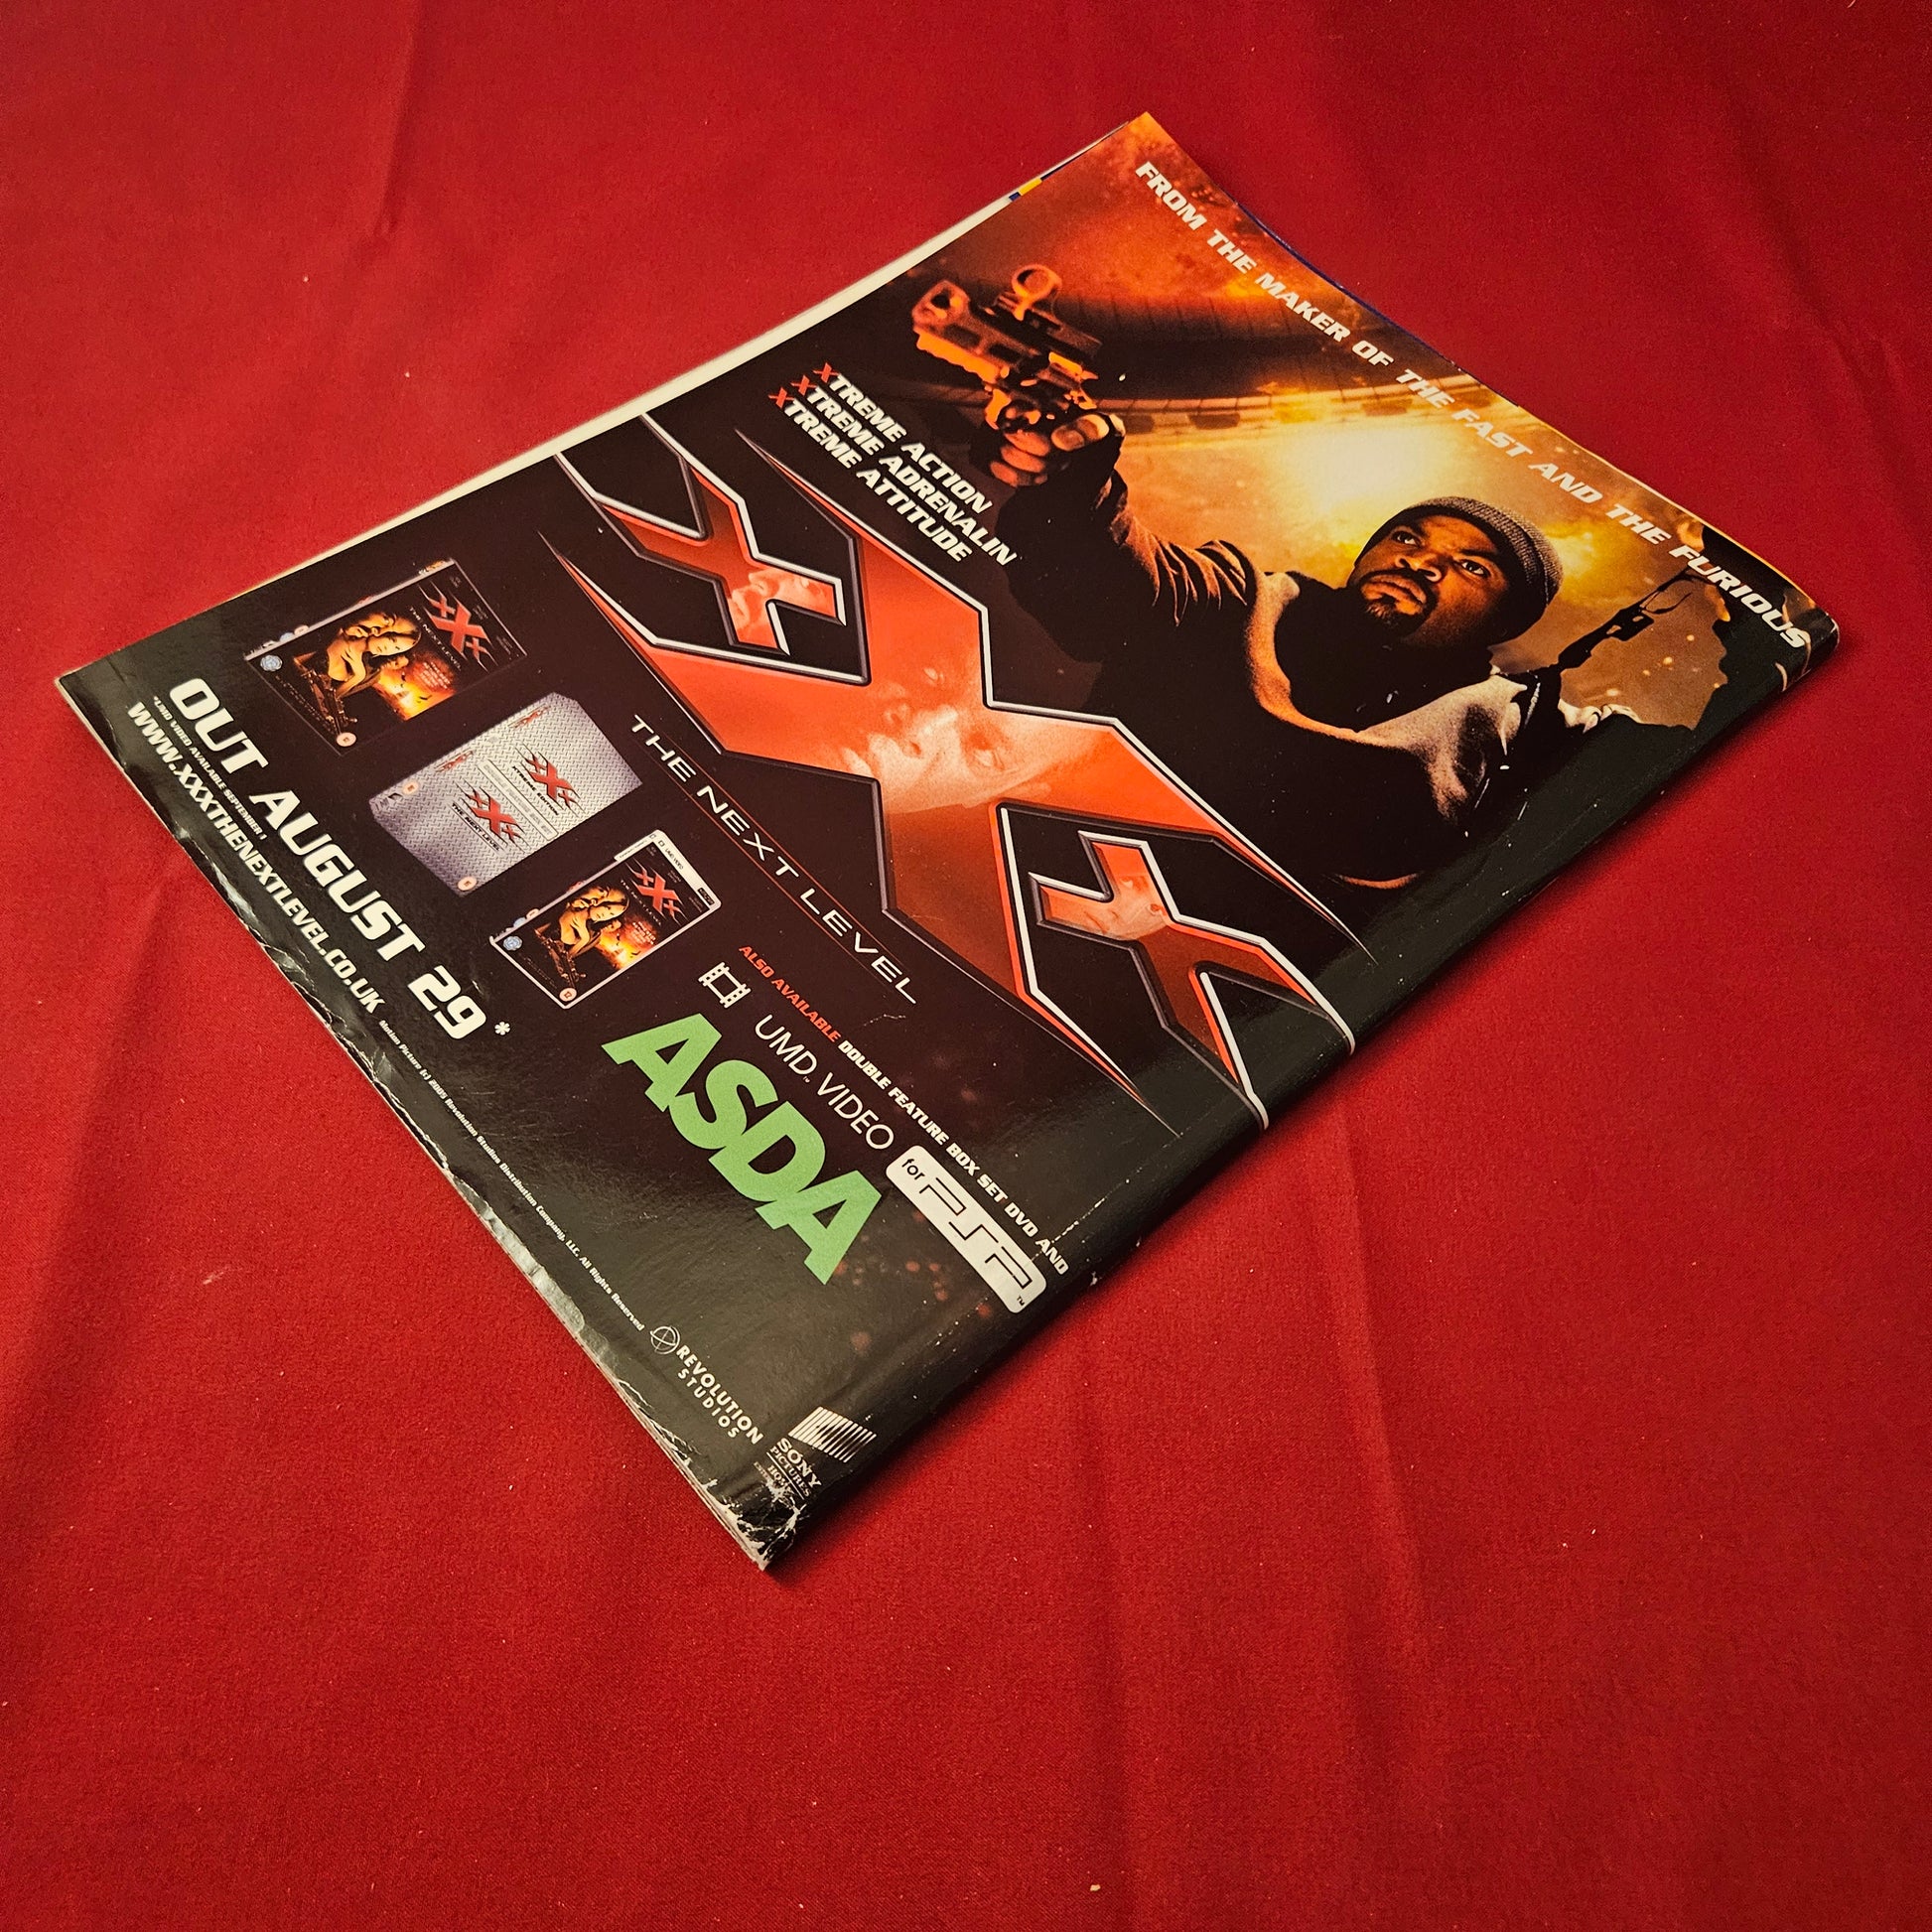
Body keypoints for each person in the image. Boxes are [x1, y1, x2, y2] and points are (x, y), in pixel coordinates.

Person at [995, 412, 1601, 909]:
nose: (1420, 561)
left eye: (1472, 566)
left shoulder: (1516, 723)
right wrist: (1073, 488)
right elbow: (1127, 585)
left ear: (1506, 623)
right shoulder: (1251, 598)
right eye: (1407, 537)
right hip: (1057, 882)